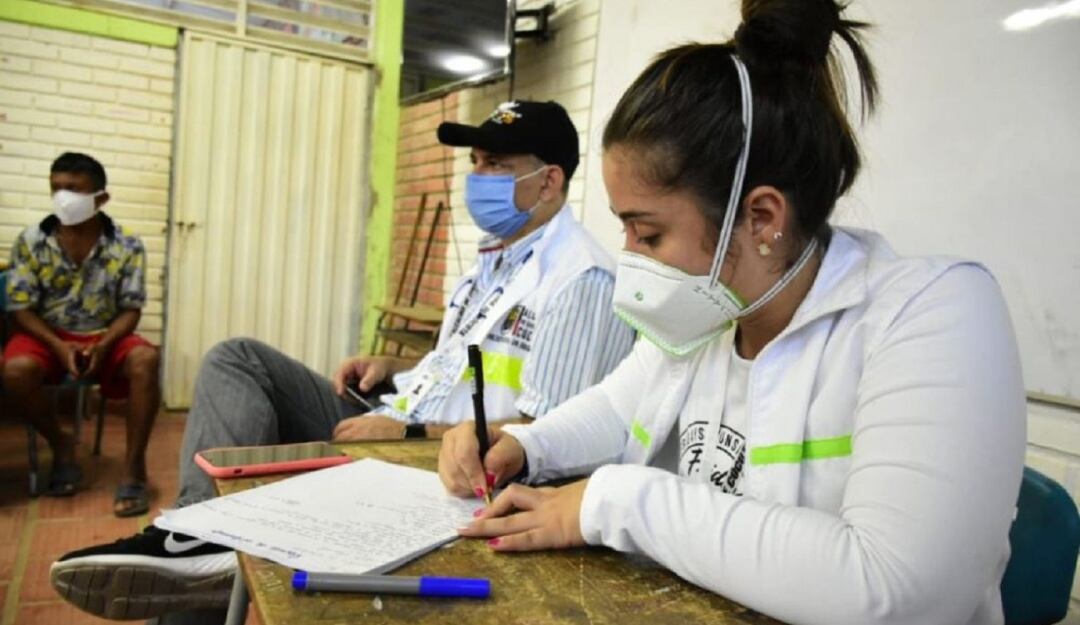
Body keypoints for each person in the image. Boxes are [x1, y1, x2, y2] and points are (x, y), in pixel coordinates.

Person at [439, 2, 1026, 624]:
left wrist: (617, 501)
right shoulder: (710, 315)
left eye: (650, 233)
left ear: (761, 218)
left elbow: (899, 592)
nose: (633, 259)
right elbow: (619, 407)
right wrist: (526, 446)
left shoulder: (933, 314)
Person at [50, 100, 635, 622]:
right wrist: (395, 366)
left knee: (236, 380)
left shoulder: (579, 280)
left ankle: (198, 541)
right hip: (397, 411)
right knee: (239, 361)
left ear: (549, 180)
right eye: (475, 162)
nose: (476, 178)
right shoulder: (498, 257)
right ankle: (201, 536)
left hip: (436, 458)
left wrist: (406, 428)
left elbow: (546, 443)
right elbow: (466, 361)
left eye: (496, 166)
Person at [3, 152, 160, 517]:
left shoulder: (127, 245)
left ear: (100, 198)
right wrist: (59, 346)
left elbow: (131, 308)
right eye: (56, 187)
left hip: (106, 334)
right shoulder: (31, 241)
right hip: (48, 334)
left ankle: (134, 467)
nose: (62, 197)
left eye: (73, 189)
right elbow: (20, 308)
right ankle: (62, 447)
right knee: (15, 371)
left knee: (146, 360)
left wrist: (104, 346)